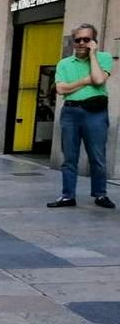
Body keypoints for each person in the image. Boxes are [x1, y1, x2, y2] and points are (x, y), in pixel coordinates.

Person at [48, 24, 115, 209]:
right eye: (78, 40)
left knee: (97, 156)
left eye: (86, 39)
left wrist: (93, 55)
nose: (82, 43)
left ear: (94, 41)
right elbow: (61, 89)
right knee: (69, 157)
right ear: (73, 42)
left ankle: (100, 195)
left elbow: (99, 79)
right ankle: (68, 196)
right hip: (70, 112)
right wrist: (86, 80)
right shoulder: (64, 63)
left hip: (95, 113)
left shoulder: (104, 58)